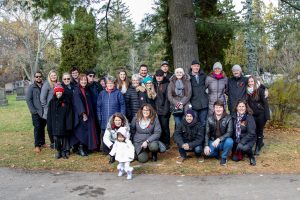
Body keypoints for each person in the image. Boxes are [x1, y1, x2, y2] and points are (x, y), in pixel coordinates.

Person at [70, 74, 98, 156]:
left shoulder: (86, 89)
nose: (83, 81)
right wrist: (83, 113)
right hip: (81, 115)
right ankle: (80, 148)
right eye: (82, 80)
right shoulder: (77, 90)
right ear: (79, 81)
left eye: (85, 80)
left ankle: (85, 147)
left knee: (87, 131)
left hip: (89, 113)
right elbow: (77, 102)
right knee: (81, 132)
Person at [97, 76, 126, 154]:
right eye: (108, 83)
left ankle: (116, 149)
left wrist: (121, 117)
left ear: (114, 84)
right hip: (104, 118)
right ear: (106, 84)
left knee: (115, 134)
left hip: (115, 119)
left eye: (111, 83)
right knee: (104, 134)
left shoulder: (118, 93)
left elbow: (122, 105)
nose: (110, 84)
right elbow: (98, 106)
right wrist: (99, 117)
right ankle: (105, 150)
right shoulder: (102, 93)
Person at [47, 82, 73, 159]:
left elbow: (69, 114)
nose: (59, 93)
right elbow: (49, 115)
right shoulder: (52, 102)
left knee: (64, 139)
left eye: (60, 91)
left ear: (62, 92)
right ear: (55, 92)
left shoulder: (66, 101)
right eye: (57, 91)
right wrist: (49, 124)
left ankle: (64, 151)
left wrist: (69, 125)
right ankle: (59, 151)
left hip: (64, 124)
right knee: (56, 139)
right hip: (55, 124)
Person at [204, 100, 233, 166]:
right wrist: (206, 146)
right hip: (213, 141)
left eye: (220, 107)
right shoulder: (209, 118)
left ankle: (223, 157)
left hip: (223, 141)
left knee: (230, 141)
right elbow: (207, 133)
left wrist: (219, 139)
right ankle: (216, 153)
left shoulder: (228, 117)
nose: (218, 109)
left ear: (223, 108)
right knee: (208, 153)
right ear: (214, 108)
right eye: (216, 107)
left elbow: (229, 132)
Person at [247, 75, 270, 155]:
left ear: (255, 82)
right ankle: (260, 143)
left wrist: (267, 116)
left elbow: (265, 104)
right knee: (254, 131)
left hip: (261, 114)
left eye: (252, 81)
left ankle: (257, 148)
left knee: (260, 131)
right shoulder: (247, 91)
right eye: (249, 82)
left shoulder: (260, 90)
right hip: (253, 114)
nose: (250, 83)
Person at [26, 71, 47, 153]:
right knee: (37, 128)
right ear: (34, 78)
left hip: (43, 112)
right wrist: (33, 111)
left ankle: (42, 142)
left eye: (40, 76)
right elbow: (28, 99)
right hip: (36, 112)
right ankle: (37, 145)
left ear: (42, 77)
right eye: (37, 76)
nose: (38, 78)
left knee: (42, 127)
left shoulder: (44, 86)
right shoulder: (31, 87)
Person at [232, 100, 256, 166]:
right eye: (239, 106)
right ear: (236, 107)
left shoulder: (249, 117)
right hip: (238, 140)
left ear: (246, 108)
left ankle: (252, 157)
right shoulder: (233, 117)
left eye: (243, 106)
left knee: (244, 148)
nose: (241, 108)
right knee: (235, 159)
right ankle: (242, 152)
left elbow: (251, 133)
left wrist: (241, 142)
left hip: (249, 139)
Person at [153, 69, 171, 149]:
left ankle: (166, 143)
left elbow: (168, 99)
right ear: (155, 76)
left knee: (165, 127)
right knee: (157, 127)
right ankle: (159, 142)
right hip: (155, 110)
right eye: (157, 76)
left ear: (163, 76)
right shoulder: (153, 84)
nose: (159, 77)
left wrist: (166, 111)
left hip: (164, 109)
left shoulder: (167, 84)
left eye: (160, 76)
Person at [40, 69, 58, 147]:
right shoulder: (47, 85)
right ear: (49, 77)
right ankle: (52, 142)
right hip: (49, 110)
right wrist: (46, 107)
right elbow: (42, 98)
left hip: (57, 109)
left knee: (56, 126)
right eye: (52, 75)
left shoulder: (58, 84)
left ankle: (57, 141)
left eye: (54, 75)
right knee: (50, 127)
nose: (53, 77)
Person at [189, 60, 209, 128]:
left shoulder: (204, 75)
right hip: (194, 104)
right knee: (194, 123)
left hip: (204, 104)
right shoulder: (188, 77)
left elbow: (208, 86)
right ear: (191, 66)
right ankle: (196, 138)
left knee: (203, 122)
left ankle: (203, 138)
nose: (196, 67)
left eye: (198, 66)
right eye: (194, 66)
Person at [86, 70, 103, 150]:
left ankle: (98, 145)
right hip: (88, 110)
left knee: (98, 127)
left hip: (97, 109)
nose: (92, 78)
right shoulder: (84, 86)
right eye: (90, 76)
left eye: (93, 76)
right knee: (90, 128)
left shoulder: (97, 85)